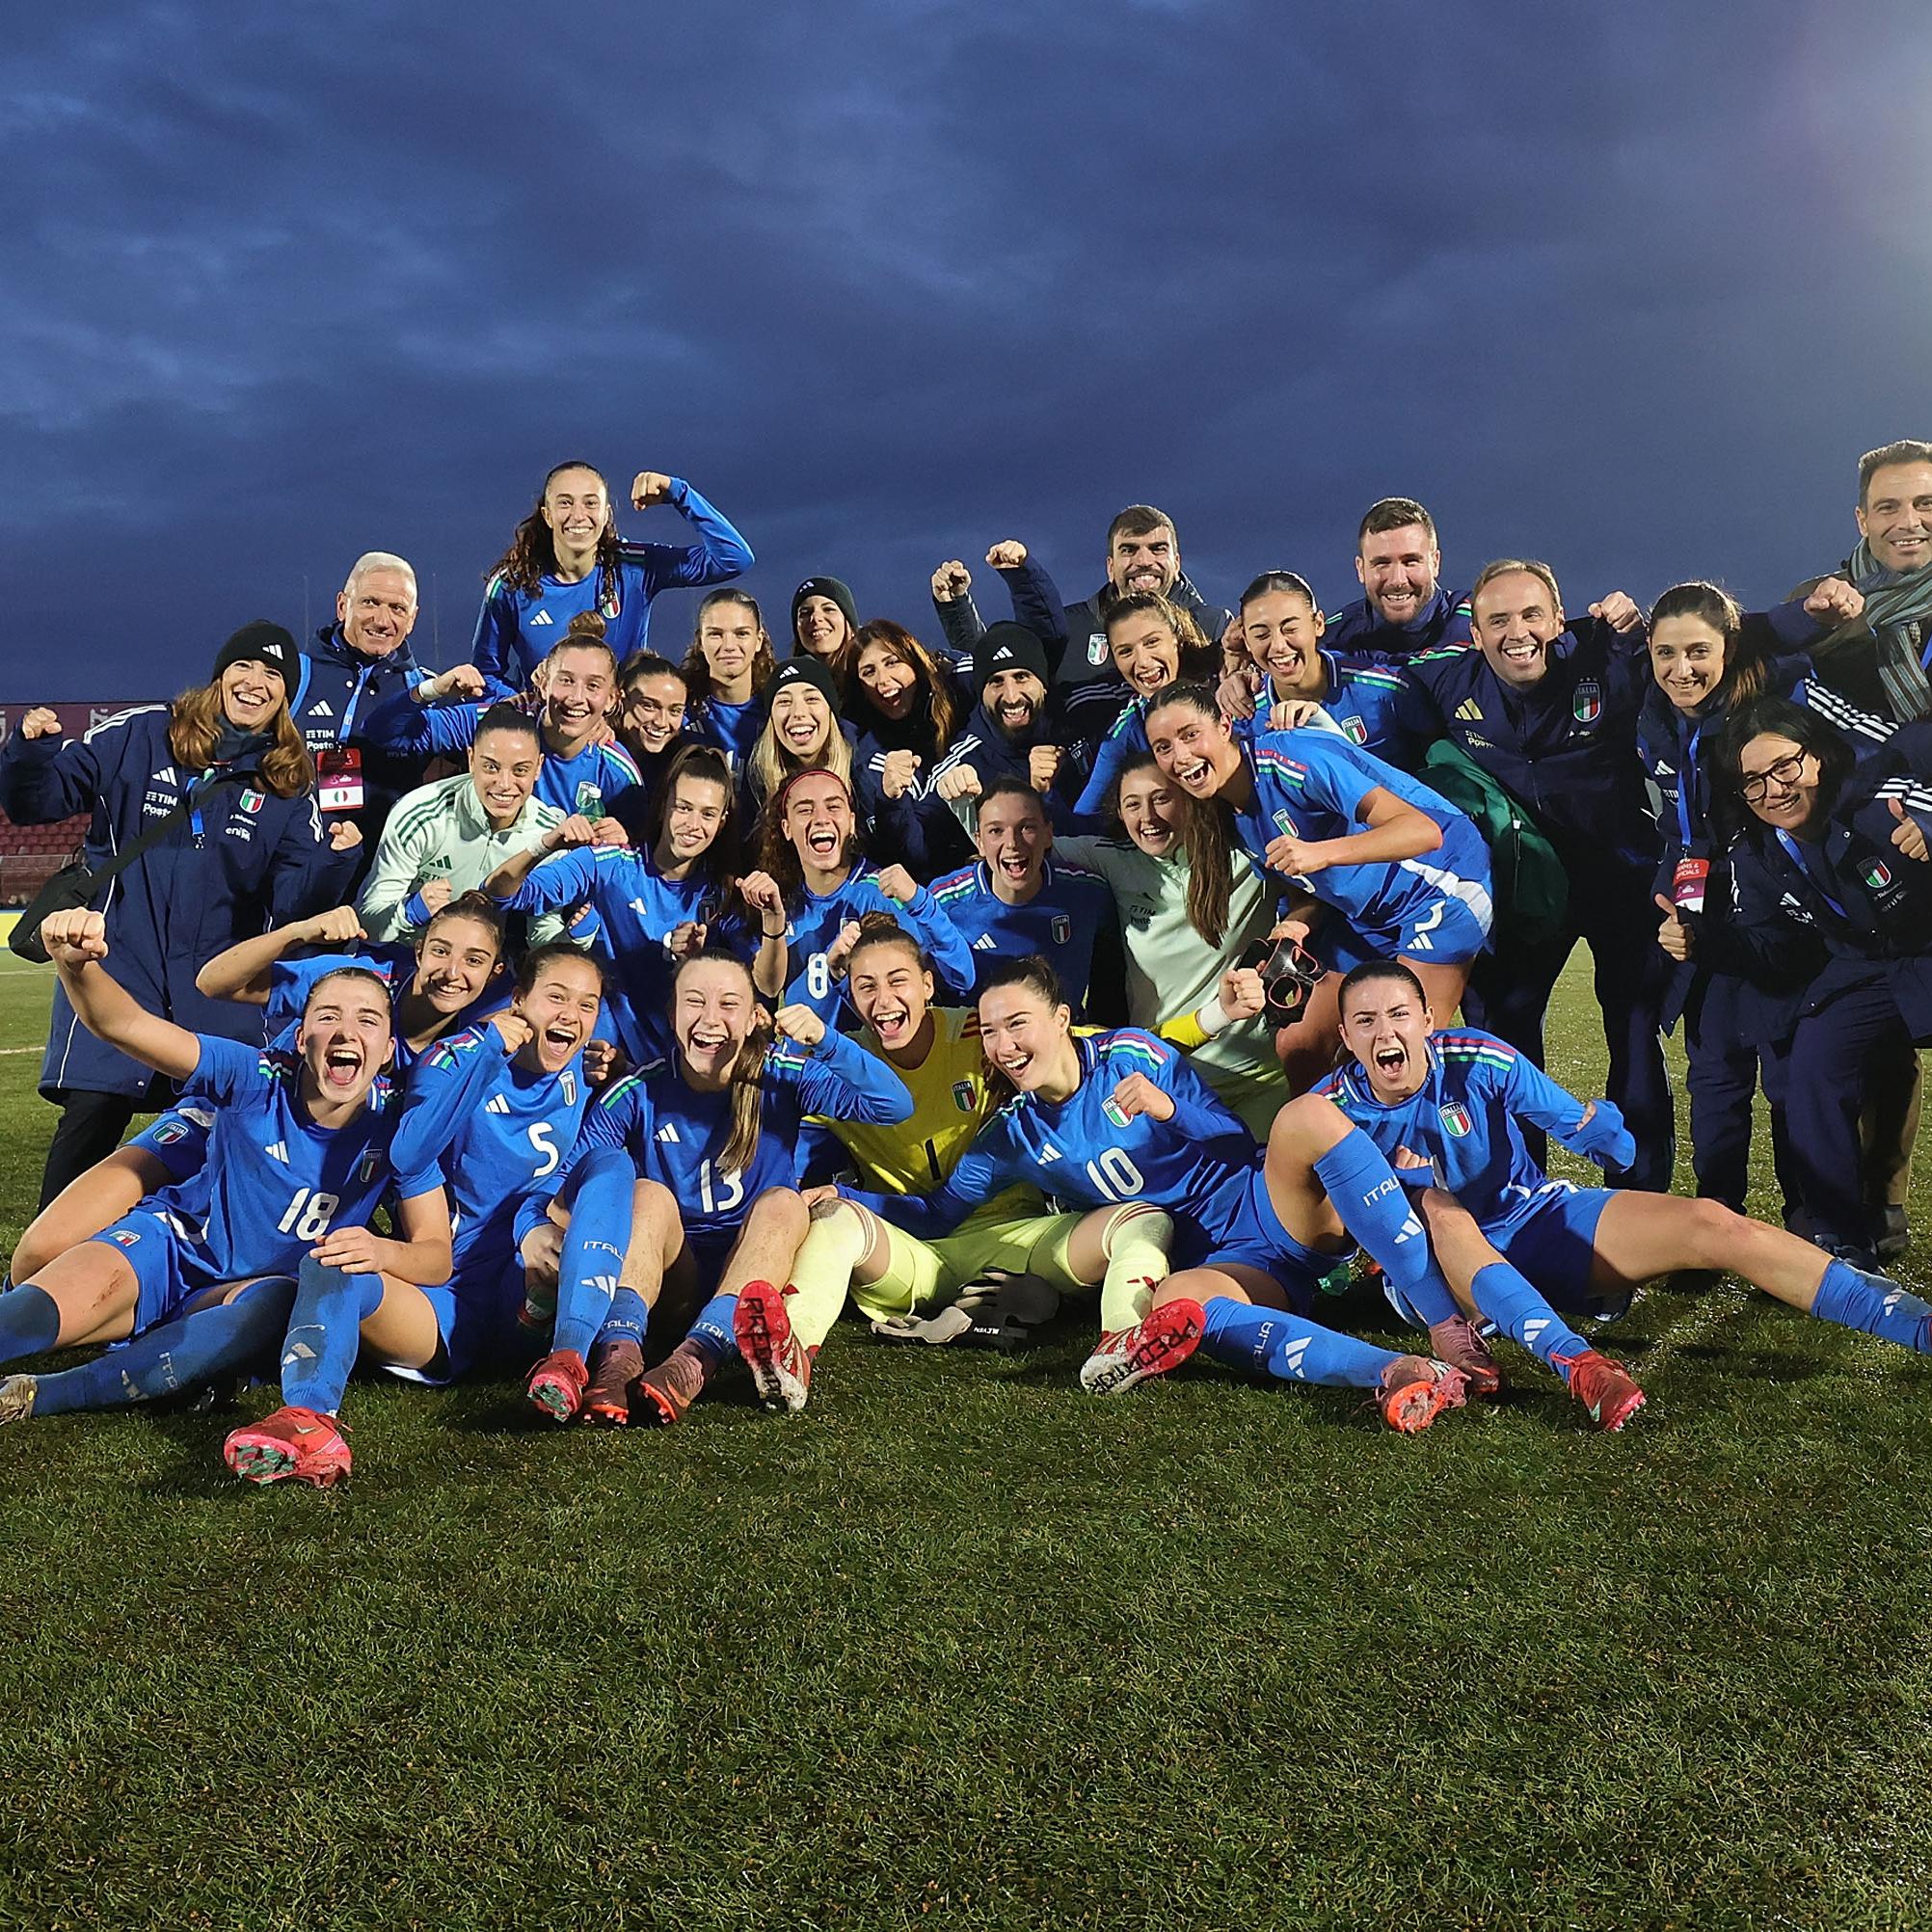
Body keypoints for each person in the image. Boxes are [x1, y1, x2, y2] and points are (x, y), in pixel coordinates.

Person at [839, 956, 1472, 1429]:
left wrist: (1172, 1109)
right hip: (1228, 1266)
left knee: (1301, 1119)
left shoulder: (1130, 1055)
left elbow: (1229, 1139)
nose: (1005, 1046)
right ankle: (1397, 1371)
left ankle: (1445, 1325)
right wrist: (844, 1201)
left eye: (1018, 1024)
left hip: (1267, 1207)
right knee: (1174, 1303)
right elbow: (939, 1212)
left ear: (1062, 1020)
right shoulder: (1014, 1137)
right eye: (991, 1031)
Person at [1318, 958, 1932, 1421]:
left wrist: (1605, 1137)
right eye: (1365, 1021)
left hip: (1532, 1222)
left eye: (1398, 1015)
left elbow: (1575, 1124)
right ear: (1346, 1037)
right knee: (1440, 1208)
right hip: (1437, 1272)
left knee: (1714, 1223)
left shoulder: (1478, 1058)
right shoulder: (1329, 1112)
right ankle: (1579, 1365)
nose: (1383, 1033)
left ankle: (1916, 1326)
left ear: (1427, 1020)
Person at [0, 910, 450, 1488]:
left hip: (245, 1293)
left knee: (271, 1303)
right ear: (302, 1033)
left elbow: (436, 1256)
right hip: (171, 1249)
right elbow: (126, 1025)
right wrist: (74, 965)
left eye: (367, 1021)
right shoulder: (254, 1076)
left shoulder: (401, 1129)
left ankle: (40, 1394)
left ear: (387, 1049)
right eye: (328, 1016)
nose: (346, 1033)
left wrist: (382, 1253)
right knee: (31, 1312)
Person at [0, 622, 355, 1206]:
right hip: (117, 970)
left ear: (287, 696)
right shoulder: (140, 735)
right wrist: (31, 751)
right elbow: (35, 801)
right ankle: (40, 1279)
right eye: (245, 667)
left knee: (219, 1157)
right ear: (220, 675)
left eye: (274, 676)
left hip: (214, 999)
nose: (256, 683)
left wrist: (337, 862)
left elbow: (294, 905)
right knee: (89, 1126)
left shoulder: (289, 783)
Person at [785, 917, 1174, 1402]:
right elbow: (787, 1122)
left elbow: (1088, 1043)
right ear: (849, 996)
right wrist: (828, 1191)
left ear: (928, 984)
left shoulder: (980, 1032)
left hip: (1019, 1235)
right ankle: (788, 1351)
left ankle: (1122, 1341)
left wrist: (1209, 1020)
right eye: (866, 987)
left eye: (898, 981)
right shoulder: (837, 1067)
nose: (883, 1001)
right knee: (833, 1217)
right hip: (912, 1250)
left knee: (1141, 1221)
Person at [521, 951, 915, 1425]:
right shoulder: (638, 1091)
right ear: (672, 1015)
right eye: (695, 1002)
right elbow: (565, 1177)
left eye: (729, 1005)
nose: (710, 1020)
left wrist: (827, 1041)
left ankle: (693, 1362)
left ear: (753, 1019)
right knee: (647, 1194)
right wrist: (531, 1229)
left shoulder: (782, 1076)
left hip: (751, 1275)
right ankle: (618, 1359)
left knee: (785, 1203)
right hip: (667, 1278)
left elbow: (893, 1106)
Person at [1404, 560, 1673, 1186]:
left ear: (1558, 619)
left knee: (1635, 1039)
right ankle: (1520, 1196)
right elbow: (1348, 671)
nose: (1515, 631)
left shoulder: (1607, 659)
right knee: (1504, 1044)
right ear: (1473, 632)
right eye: (1497, 619)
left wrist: (1639, 628)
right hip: (1524, 896)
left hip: (1620, 882)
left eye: (1531, 615)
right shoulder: (1444, 682)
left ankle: (1640, 1203)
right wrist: (1245, 670)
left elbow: (1702, 644)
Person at [1141, 683, 1492, 1094]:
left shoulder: (1292, 758)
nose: (1180, 757)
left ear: (1223, 725)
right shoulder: (1227, 814)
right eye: (1163, 747)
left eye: (1189, 735)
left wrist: (1321, 852)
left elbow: (1422, 832)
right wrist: (1295, 923)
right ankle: (1330, 1152)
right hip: (1367, 917)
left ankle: (1427, 1152)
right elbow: (1306, 887)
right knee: (1301, 1044)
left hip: (1442, 887)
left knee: (1400, 1053)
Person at [1641, 582, 1840, 1230]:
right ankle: (1716, 1223)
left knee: (1788, 1081)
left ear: (1730, 647)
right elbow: (1677, 825)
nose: (1681, 668)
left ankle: (1809, 1223)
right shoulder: (1654, 713)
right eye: (1665, 652)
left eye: (1698, 650)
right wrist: (1669, 885)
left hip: (1777, 911)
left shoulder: (1773, 702)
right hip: (1700, 911)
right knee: (1715, 1082)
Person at [1715, 698, 1932, 1262]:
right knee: (1813, 1063)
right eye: (1754, 782)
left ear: (1817, 759)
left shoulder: (1880, 799)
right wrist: (1704, 939)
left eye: (1785, 767)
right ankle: (1840, 1232)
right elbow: (1771, 945)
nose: (1775, 790)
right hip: (1864, 968)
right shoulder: (1757, 851)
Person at [1057, 753, 1282, 1134]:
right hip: (1166, 1078)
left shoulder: (1245, 856)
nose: (1147, 817)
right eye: (1133, 804)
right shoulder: (1113, 860)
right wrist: (963, 803)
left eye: (1161, 798)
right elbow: (1023, 848)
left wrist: (1295, 924)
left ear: (1189, 799)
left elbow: (1316, 879)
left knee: (1263, 1188)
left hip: (1257, 1077)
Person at [483, 744, 740, 1060]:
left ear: (723, 821)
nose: (693, 824)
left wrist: (696, 964)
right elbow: (502, 892)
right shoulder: (610, 864)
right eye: (683, 807)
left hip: (676, 1059)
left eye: (708, 814)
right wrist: (546, 843)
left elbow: (757, 987)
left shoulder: (723, 892)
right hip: (597, 1046)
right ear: (662, 806)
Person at [931, 512, 1235, 749]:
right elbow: (1003, 665)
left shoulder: (1215, 626)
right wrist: (956, 608)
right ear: (1110, 566)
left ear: (1176, 561)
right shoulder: (1073, 626)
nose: (1144, 561)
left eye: (1158, 549)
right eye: (1129, 550)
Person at [470, 463, 753, 693]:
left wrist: (678, 492)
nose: (579, 515)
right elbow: (486, 674)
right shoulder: (512, 585)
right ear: (547, 515)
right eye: (565, 503)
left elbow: (733, 558)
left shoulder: (634, 567)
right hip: (549, 735)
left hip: (624, 733)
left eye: (590, 503)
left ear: (606, 514)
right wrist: (528, 705)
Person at [734, 768, 974, 1021]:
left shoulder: (880, 893)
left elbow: (960, 977)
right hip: (801, 1056)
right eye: (805, 810)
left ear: (850, 821)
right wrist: (773, 921)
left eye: (833, 807)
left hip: (867, 1055)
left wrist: (921, 902)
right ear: (787, 828)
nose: (821, 819)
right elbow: (768, 988)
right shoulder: (779, 897)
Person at [358, 614, 642, 826]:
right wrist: (432, 689)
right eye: (565, 681)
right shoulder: (498, 721)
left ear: (612, 699)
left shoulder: (618, 771)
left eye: (593, 686)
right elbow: (384, 733)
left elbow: (635, 857)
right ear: (542, 684)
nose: (576, 698)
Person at [357, 707, 568, 943]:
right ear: (471, 759)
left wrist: (574, 938)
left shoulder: (546, 835)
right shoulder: (419, 814)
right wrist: (410, 912)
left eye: (520, 770)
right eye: (491, 767)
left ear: (538, 767)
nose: (505, 784)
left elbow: (542, 934)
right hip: (401, 953)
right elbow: (368, 923)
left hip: (480, 963)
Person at [287, 550, 434, 859]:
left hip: (385, 872)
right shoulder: (291, 676)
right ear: (343, 605)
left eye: (397, 608)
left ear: (412, 619)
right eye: (370, 602)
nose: (382, 620)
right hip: (295, 867)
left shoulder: (427, 691)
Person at [930, 779, 1115, 1013]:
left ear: (1048, 834)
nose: (1013, 844)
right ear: (979, 842)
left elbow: (1113, 967)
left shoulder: (1087, 890)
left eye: (1026, 827)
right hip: (976, 1042)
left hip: (1062, 1040)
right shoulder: (943, 901)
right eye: (996, 831)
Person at [1218, 572, 1436, 767]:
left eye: (1291, 628)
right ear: (1246, 641)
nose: (1278, 645)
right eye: (1261, 635)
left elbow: (1442, 757)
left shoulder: (1387, 689)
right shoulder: (1243, 720)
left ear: (1318, 624)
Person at [1072, 592, 1221, 818]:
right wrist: (1043, 793)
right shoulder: (1126, 731)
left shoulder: (1229, 688)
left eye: (1152, 642)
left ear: (1176, 639)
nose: (1142, 662)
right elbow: (1084, 819)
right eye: (1126, 651)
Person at [843, 618, 971, 876]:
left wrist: (954, 608)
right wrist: (891, 799)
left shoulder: (959, 689)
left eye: (892, 662)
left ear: (913, 659)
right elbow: (911, 854)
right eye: (868, 672)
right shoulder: (872, 754)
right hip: (935, 882)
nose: (883, 680)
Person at [926, 623, 1087, 828]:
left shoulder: (1081, 717)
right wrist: (893, 799)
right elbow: (916, 850)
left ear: (1044, 685)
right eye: (996, 682)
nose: (1011, 697)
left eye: (1021, 677)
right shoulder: (964, 762)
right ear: (981, 693)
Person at [1323, 498, 1472, 659]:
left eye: (1410, 562)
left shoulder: (1481, 621)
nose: (1397, 581)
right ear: (1361, 569)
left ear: (1435, 563)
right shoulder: (1331, 642)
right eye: (1382, 563)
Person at [682, 588, 778, 777]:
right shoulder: (679, 712)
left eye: (741, 634)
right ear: (700, 641)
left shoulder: (777, 711)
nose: (728, 646)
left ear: (758, 640)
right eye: (716, 634)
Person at [744, 656, 856, 817]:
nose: (798, 713)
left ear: (830, 711)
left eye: (811, 699)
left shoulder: (861, 773)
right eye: (784, 702)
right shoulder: (755, 782)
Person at [613, 648, 692, 802]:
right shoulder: (595, 749)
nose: (661, 722)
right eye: (649, 706)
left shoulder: (682, 765)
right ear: (621, 699)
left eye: (675, 711)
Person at [792, 577, 859, 665]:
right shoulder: (783, 677)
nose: (815, 618)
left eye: (828, 609)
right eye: (805, 612)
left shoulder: (874, 673)